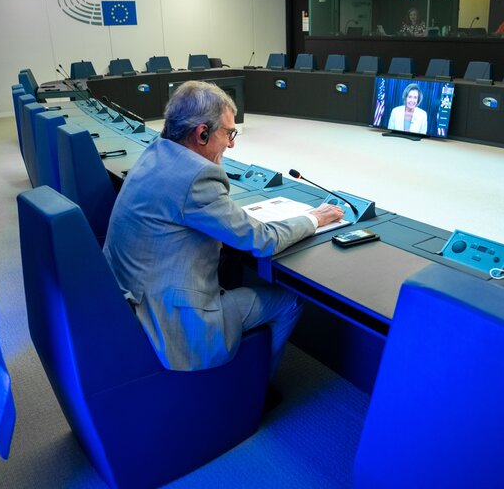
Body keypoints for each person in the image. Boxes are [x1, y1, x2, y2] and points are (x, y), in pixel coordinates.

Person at [103, 81, 344, 374]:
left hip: (130, 301)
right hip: (174, 321)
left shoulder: (156, 151)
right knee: (289, 301)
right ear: (202, 133)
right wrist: (315, 218)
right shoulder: (199, 176)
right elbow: (262, 240)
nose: (232, 144)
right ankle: (256, 393)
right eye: (229, 133)